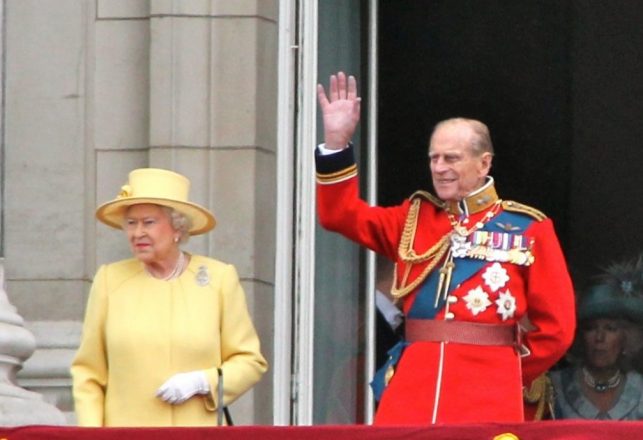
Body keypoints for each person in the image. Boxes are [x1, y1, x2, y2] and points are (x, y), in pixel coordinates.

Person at [315, 71, 576, 424]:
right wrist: (336, 144)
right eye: (433, 158)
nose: (439, 168)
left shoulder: (530, 229)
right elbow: (339, 216)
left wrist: (504, 370)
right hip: (412, 395)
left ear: (484, 163)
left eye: (451, 158)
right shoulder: (414, 219)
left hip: (489, 398)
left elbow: (557, 329)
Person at [71, 168, 268, 426]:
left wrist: (202, 382)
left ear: (177, 227)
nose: (137, 232)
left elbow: (250, 361)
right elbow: (89, 372)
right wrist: (92, 435)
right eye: (131, 223)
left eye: (149, 222)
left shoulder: (218, 279)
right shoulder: (110, 280)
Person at [551, 255, 643, 420]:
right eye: (591, 328)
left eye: (610, 329)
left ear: (626, 337)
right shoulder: (553, 387)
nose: (600, 337)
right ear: (580, 336)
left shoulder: (640, 389)